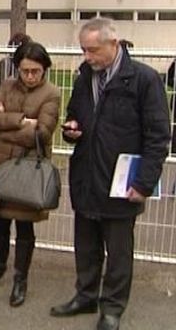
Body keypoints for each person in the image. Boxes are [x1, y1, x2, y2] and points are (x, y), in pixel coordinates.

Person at [50, 18, 170, 330]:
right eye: (83, 50)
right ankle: (86, 295)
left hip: (122, 181)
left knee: (118, 251)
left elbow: (158, 136)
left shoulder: (143, 80)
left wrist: (144, 183)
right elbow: (75, 116)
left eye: (93, 50)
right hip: (87, 175)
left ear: (113, 44)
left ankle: (113, 307)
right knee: (85, 245)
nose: (87, 57)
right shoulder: (84, 77)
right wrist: (71, 130)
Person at [0, 41, 61, 307]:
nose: (30, 76)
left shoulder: (51, 94)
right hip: (0, 165)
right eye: (25, 71)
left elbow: (42, 132)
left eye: (35, 71)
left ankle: (20, 279)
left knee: (24, 225)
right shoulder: (7, 86)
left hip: (27, 168)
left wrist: (8, 121)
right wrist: (21, 120)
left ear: (44, 69)